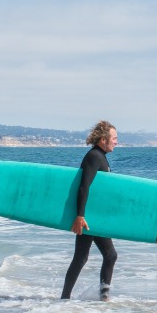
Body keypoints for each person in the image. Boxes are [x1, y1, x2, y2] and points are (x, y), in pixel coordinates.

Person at [61, 120, 119, 300]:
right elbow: (84, 186)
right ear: (103, 139)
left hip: (93, 215)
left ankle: (67, 298)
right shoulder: (94, 156)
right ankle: (102, 297)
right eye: (114, 138)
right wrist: (80, 215)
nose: (116, 142)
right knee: (106, 256)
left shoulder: (100, 156)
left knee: (85, 257)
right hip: (88, 216)